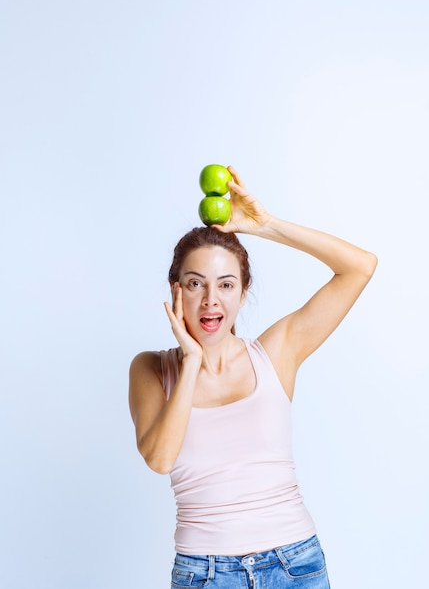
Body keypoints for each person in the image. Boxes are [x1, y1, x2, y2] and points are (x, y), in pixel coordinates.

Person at [129, 166, 377, 588]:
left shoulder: (275, 353)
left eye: (226, 285)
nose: (211, 300)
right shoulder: (152, 368)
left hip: (295, 564)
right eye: (195, 284)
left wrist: (267, 225)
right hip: (204, 574)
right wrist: (191, 360)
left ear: (243, 294)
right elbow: (160, 458)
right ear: (175, 291)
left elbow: (360, 267)